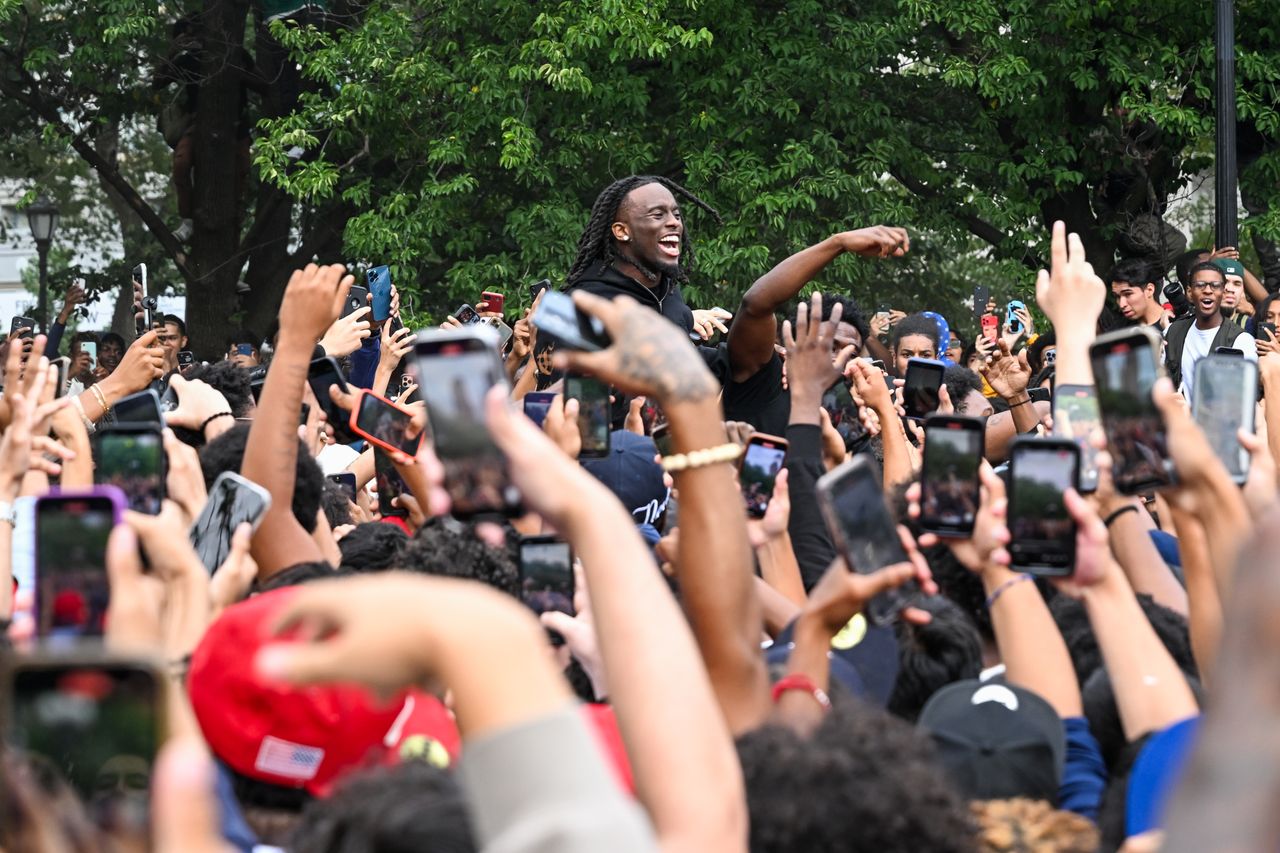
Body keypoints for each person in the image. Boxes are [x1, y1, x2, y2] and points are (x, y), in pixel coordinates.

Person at [563, 175, 721, 336]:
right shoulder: (587, 304)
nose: (674, 222)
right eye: (658, 215)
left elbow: (687, 356)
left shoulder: (668, 291)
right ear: (622, 231)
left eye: (677, 215)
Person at [1163, 262, 1257, 398]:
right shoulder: (1173, 331)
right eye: (1200, 285)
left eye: (1215, 285)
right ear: (1189, 292)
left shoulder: (1241, 340)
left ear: (1223, 292)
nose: (1208, 290)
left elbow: (1245, 397)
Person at [1110, 258, 1170, 330]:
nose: (1122, 304)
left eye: (1128, 294)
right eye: (1117, 296)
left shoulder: (1176, 324)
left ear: (1149, 290)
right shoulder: (1118, 333)